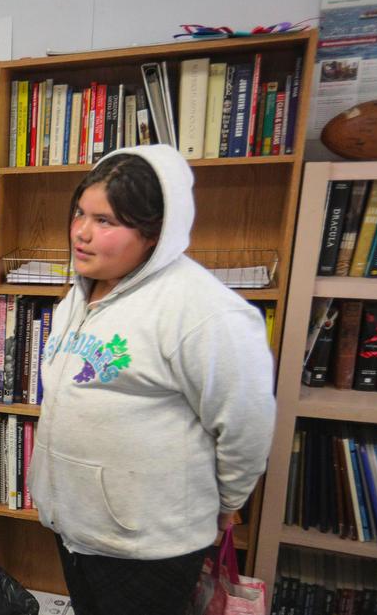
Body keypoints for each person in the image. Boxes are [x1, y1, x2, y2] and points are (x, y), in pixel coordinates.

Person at [28, 145, 275, 615]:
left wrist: (225, 504)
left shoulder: (205, 312)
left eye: (105, 221)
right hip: (81, 528)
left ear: (154, 232)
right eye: (80, 213)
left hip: (150, 543)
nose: (81, 232)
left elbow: (246, 425)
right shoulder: (80, 294)